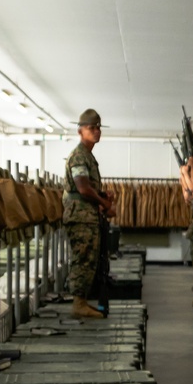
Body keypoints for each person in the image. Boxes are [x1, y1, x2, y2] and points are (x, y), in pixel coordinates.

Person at [63, 108, 113, 319]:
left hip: (87, 215)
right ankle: (78, 303)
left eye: (98, 127)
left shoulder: (87, 156)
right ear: (80, 131)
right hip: (80, 216)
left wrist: (102, 196)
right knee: (83, 258)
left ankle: (82, 301)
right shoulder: (78, 156)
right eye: (91, 128)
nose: (96, 131)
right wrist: (104, 202)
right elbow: (82, 188)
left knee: (91, 258)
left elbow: (87, 187)